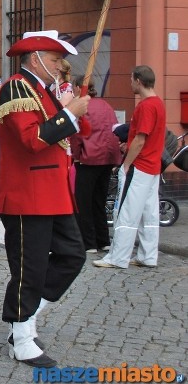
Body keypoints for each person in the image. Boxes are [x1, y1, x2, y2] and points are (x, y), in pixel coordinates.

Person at [0, 30, 89, 368]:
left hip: (52, 192)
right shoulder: (17, 87)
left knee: (72, 255)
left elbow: (65, 135)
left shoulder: (43, 90)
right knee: (29, 268)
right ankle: (21, 338)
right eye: (53, 60)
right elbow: (31, 140)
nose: (59, 65)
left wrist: (73, 109)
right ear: (35, 58)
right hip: (28, 193)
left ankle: (25, 317)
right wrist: (70, 113)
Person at [94, 65, 166, 270]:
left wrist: (126, 164)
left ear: (139, 81)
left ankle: (118, 257)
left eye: (131, 79)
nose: (130, 83)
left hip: (140, 165)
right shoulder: (158, 103)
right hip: (152, 166)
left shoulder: (145, 106)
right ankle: (148, 255)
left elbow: (141, 140)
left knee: (126, 212)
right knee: (149, 213)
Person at [69, 77, 121, 254]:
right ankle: (103, 240)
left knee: (84, 202)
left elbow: (76, 134)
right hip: (107, 157)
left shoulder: (81, 106)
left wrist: (76, 156)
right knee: (99, 200)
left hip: (89, 157)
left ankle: (89, 242)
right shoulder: (105, 105)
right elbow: (114, 129)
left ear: (78, 87)